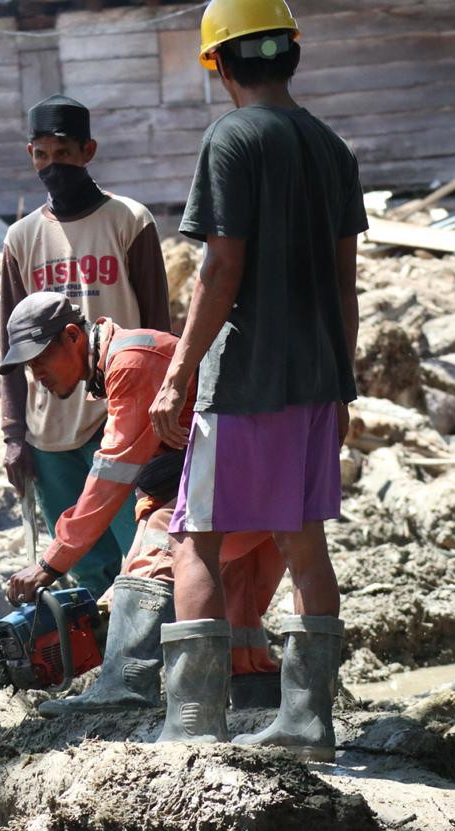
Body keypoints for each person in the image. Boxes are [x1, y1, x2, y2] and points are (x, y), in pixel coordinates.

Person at [148, 0, 367, 760]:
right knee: (303, 543)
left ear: (219, 65)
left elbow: (220, 267)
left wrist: (177, 371)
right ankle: (307, 723)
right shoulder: (331, 148)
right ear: (290, 55)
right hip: (314, 376)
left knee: (194, 540)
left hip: (242, 379)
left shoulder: (230, 138)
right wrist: (341, 385)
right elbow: (346, 284)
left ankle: (191, 725)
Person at [1, 291, 286, 715]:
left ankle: (126, 681)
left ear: (74, 336)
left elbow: (113, 471)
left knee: (153, 548)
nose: (36, 373)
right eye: (27, 366)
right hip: (269, 476)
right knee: (234, 592)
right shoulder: (131, 354)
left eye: (39, 358)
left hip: (246, 479)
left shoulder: (130, 363)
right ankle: (256, 697)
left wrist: (51, 562)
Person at [0, 94, 171, 599]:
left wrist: (162, 417)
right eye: (40, 156)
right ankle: (104, 668)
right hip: (49, 430)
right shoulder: (21, 238)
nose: (52, 167)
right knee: (84, 570)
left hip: (118, 414)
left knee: (139, 552)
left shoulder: (129, 221)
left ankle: (147, 664)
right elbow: (9, 343)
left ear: (88, 151)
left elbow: (159, 329)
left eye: (63, 154)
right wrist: (14, 432)